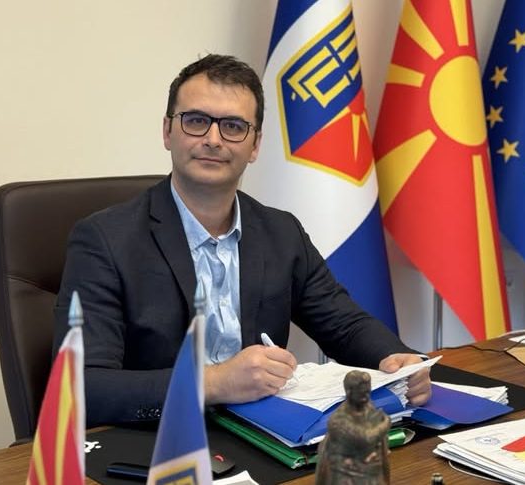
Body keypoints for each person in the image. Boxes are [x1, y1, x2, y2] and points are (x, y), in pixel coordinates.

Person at [53, 54, 431, 426]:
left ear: (255, 146)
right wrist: (215, 382)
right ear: (167, 131)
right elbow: (83, 388)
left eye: (233, 126)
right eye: (196, 121)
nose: (213, 140)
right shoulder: (104, 240)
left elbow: (344, 324)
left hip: (266, 436)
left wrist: (396, 359)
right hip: (160, 442)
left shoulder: (281, 232)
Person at [315, 370, 390, 484]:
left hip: (371, 471)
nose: (366, 397)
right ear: (349, 392)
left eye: (367, 392)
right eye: (362, 393)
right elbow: (366, 438)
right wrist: (385, 423)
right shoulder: (338, 419)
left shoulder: (369, 408)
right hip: (347, 475)